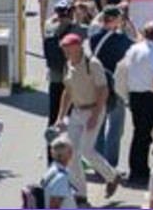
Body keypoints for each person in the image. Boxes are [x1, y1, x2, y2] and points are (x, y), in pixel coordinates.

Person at [52, 33, 120, 202]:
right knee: (71, 152)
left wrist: (95, 116)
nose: (65, 50)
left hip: (93, 110)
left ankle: (112, 177)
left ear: (78, 47)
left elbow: (103, 91)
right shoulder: (68, 65)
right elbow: (67, 91)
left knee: (86, 150)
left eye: (68, 47)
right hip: (77, 112)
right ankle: (81, 193)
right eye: (64, 48)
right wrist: (60, 117)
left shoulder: (93, 64)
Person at [88, 3, 133, 168]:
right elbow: (136, 41)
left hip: (97, 84)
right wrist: (127, 24)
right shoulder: (121, 40)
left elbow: (95, 24)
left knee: (98, 125)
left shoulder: (93, 38)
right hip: (115, 86)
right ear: (115, 20)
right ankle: (110, 164)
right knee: (115, 126)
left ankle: (97, 161)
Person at [126, 21, 153, 185]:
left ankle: (137, 168)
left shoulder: (134, 49)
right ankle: (140, 170)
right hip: (149, 96)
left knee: (139, 133)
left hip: (134, 94)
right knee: (143, 135)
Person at [42, 136, 78, 210]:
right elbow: (54, 206)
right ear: (70, 154)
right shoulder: (61, 178)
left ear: (52, 154)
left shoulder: (52, 170)